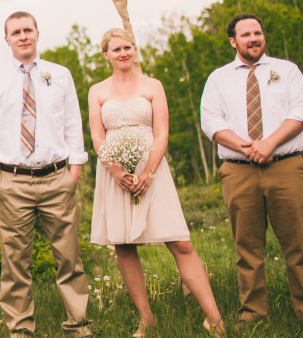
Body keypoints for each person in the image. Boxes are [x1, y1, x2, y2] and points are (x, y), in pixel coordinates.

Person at [200, 13, 303, 336]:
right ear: (233, 41)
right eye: (246, 34)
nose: (254, 39)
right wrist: (249, 147)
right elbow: (211, 122)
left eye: (258, 33)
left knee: (300, 245)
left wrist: (269, 143)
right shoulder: (218, 79)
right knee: (247, 248)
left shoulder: (286, 72)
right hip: (239, 171)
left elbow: (302, 113)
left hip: (285, 166)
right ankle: (252, 315)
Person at [88, 28, 223, 337]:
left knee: (180, 242)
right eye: (117, 49)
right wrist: (115, 170)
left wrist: (147, 172)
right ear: (106, 55)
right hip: (114, 173)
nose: (124, 52)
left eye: (128, 47)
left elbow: (162, 133)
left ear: (134, 50)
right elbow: (97, 136)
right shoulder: (97, 90)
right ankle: (146, 318)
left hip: (153, 167)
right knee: (123, 246)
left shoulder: (153, 85)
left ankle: (215, 318)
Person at [0, 11, 93, 338]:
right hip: (12, 181)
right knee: (15, 263)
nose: (23, 36)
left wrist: (75, 169)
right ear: (7, 40)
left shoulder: (60, 75)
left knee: (69, 257)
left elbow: (73, 122)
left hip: (57, 178)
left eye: (28, 30)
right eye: (16, 32)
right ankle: (20, 330)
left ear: (38, 34)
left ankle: (78, 326)